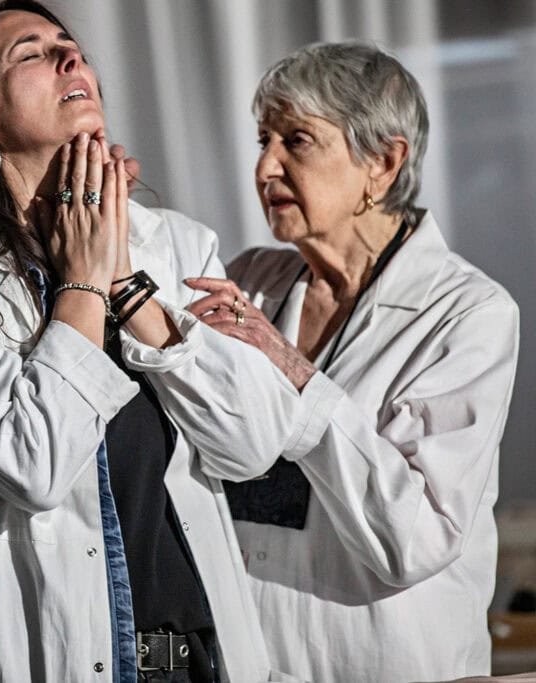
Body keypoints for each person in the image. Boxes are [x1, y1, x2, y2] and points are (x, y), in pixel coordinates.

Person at [0, 2, 309, 681]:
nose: (71, 58)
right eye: (29, 53)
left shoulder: (174, 243)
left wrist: (127, 283)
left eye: (69, 45)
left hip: (190, 662)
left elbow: (252, 447)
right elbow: (35, 465)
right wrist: (82, 281)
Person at [186, 42, 519, 682]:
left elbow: (415, 541)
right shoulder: (249, 281)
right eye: (263, 140)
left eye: (297, 140)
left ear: (384, 163)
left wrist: (295, 374)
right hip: (245, 661)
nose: (265, 166)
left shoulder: (467, 312)